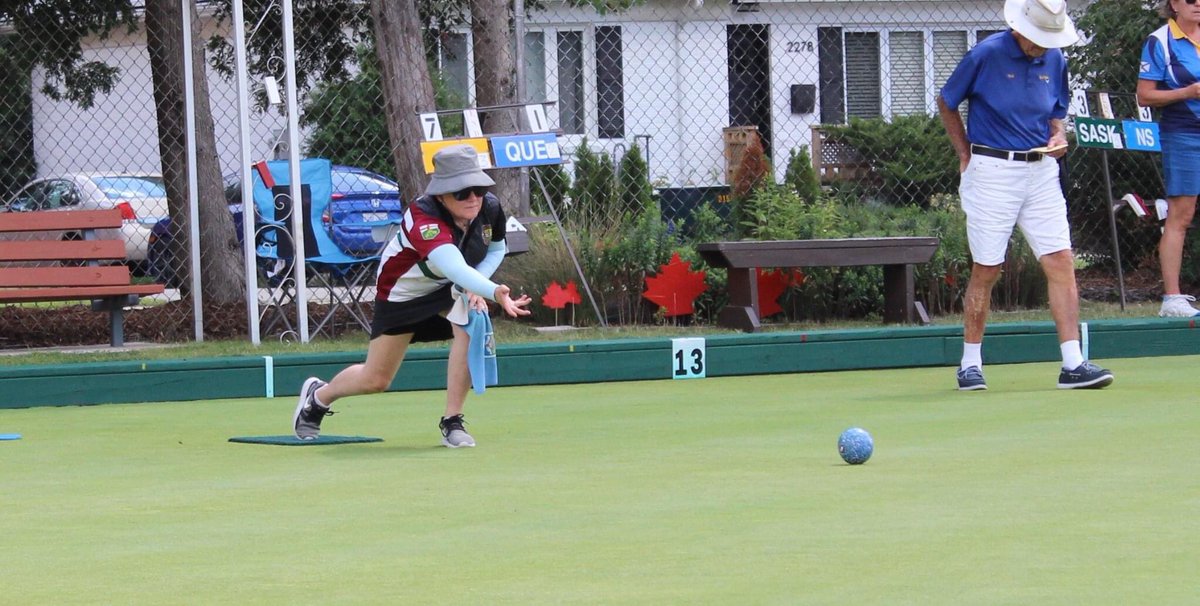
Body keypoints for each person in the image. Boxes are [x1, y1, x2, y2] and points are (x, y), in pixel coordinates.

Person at [293, 144, 532, 446]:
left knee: (473, 318)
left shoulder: (489, 206)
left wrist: (476, 286)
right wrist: (494, 290)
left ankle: (453, 420)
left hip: (446, 288)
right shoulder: (424, 220)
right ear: (442, 194)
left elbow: (497, 248)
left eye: (478, 189)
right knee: (376, 380)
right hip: (402, 295)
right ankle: (318, 397)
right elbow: (454, 267)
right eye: (462, 192)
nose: (473, 198)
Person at [937, 0, 1114, 391]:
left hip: (1041, 172)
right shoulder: (985, 54)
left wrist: (1059, 135)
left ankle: (1072, 363)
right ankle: (970, 364)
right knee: (987, 268)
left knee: (1061, 261)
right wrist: (965, 153)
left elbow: (1057, 112)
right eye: (1037, 38)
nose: (1042, 46)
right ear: (1020, 28)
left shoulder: (1056, 61)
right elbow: (947, 102)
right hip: (993, 171)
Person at [1137, 0, 1200, 317]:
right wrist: (1188, 93)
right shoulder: (1158, 41)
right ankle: (1172, 300)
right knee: (1182, 214)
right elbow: (1145, 95)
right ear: (1174, 3)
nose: (1198, 3)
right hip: (1183, 134)